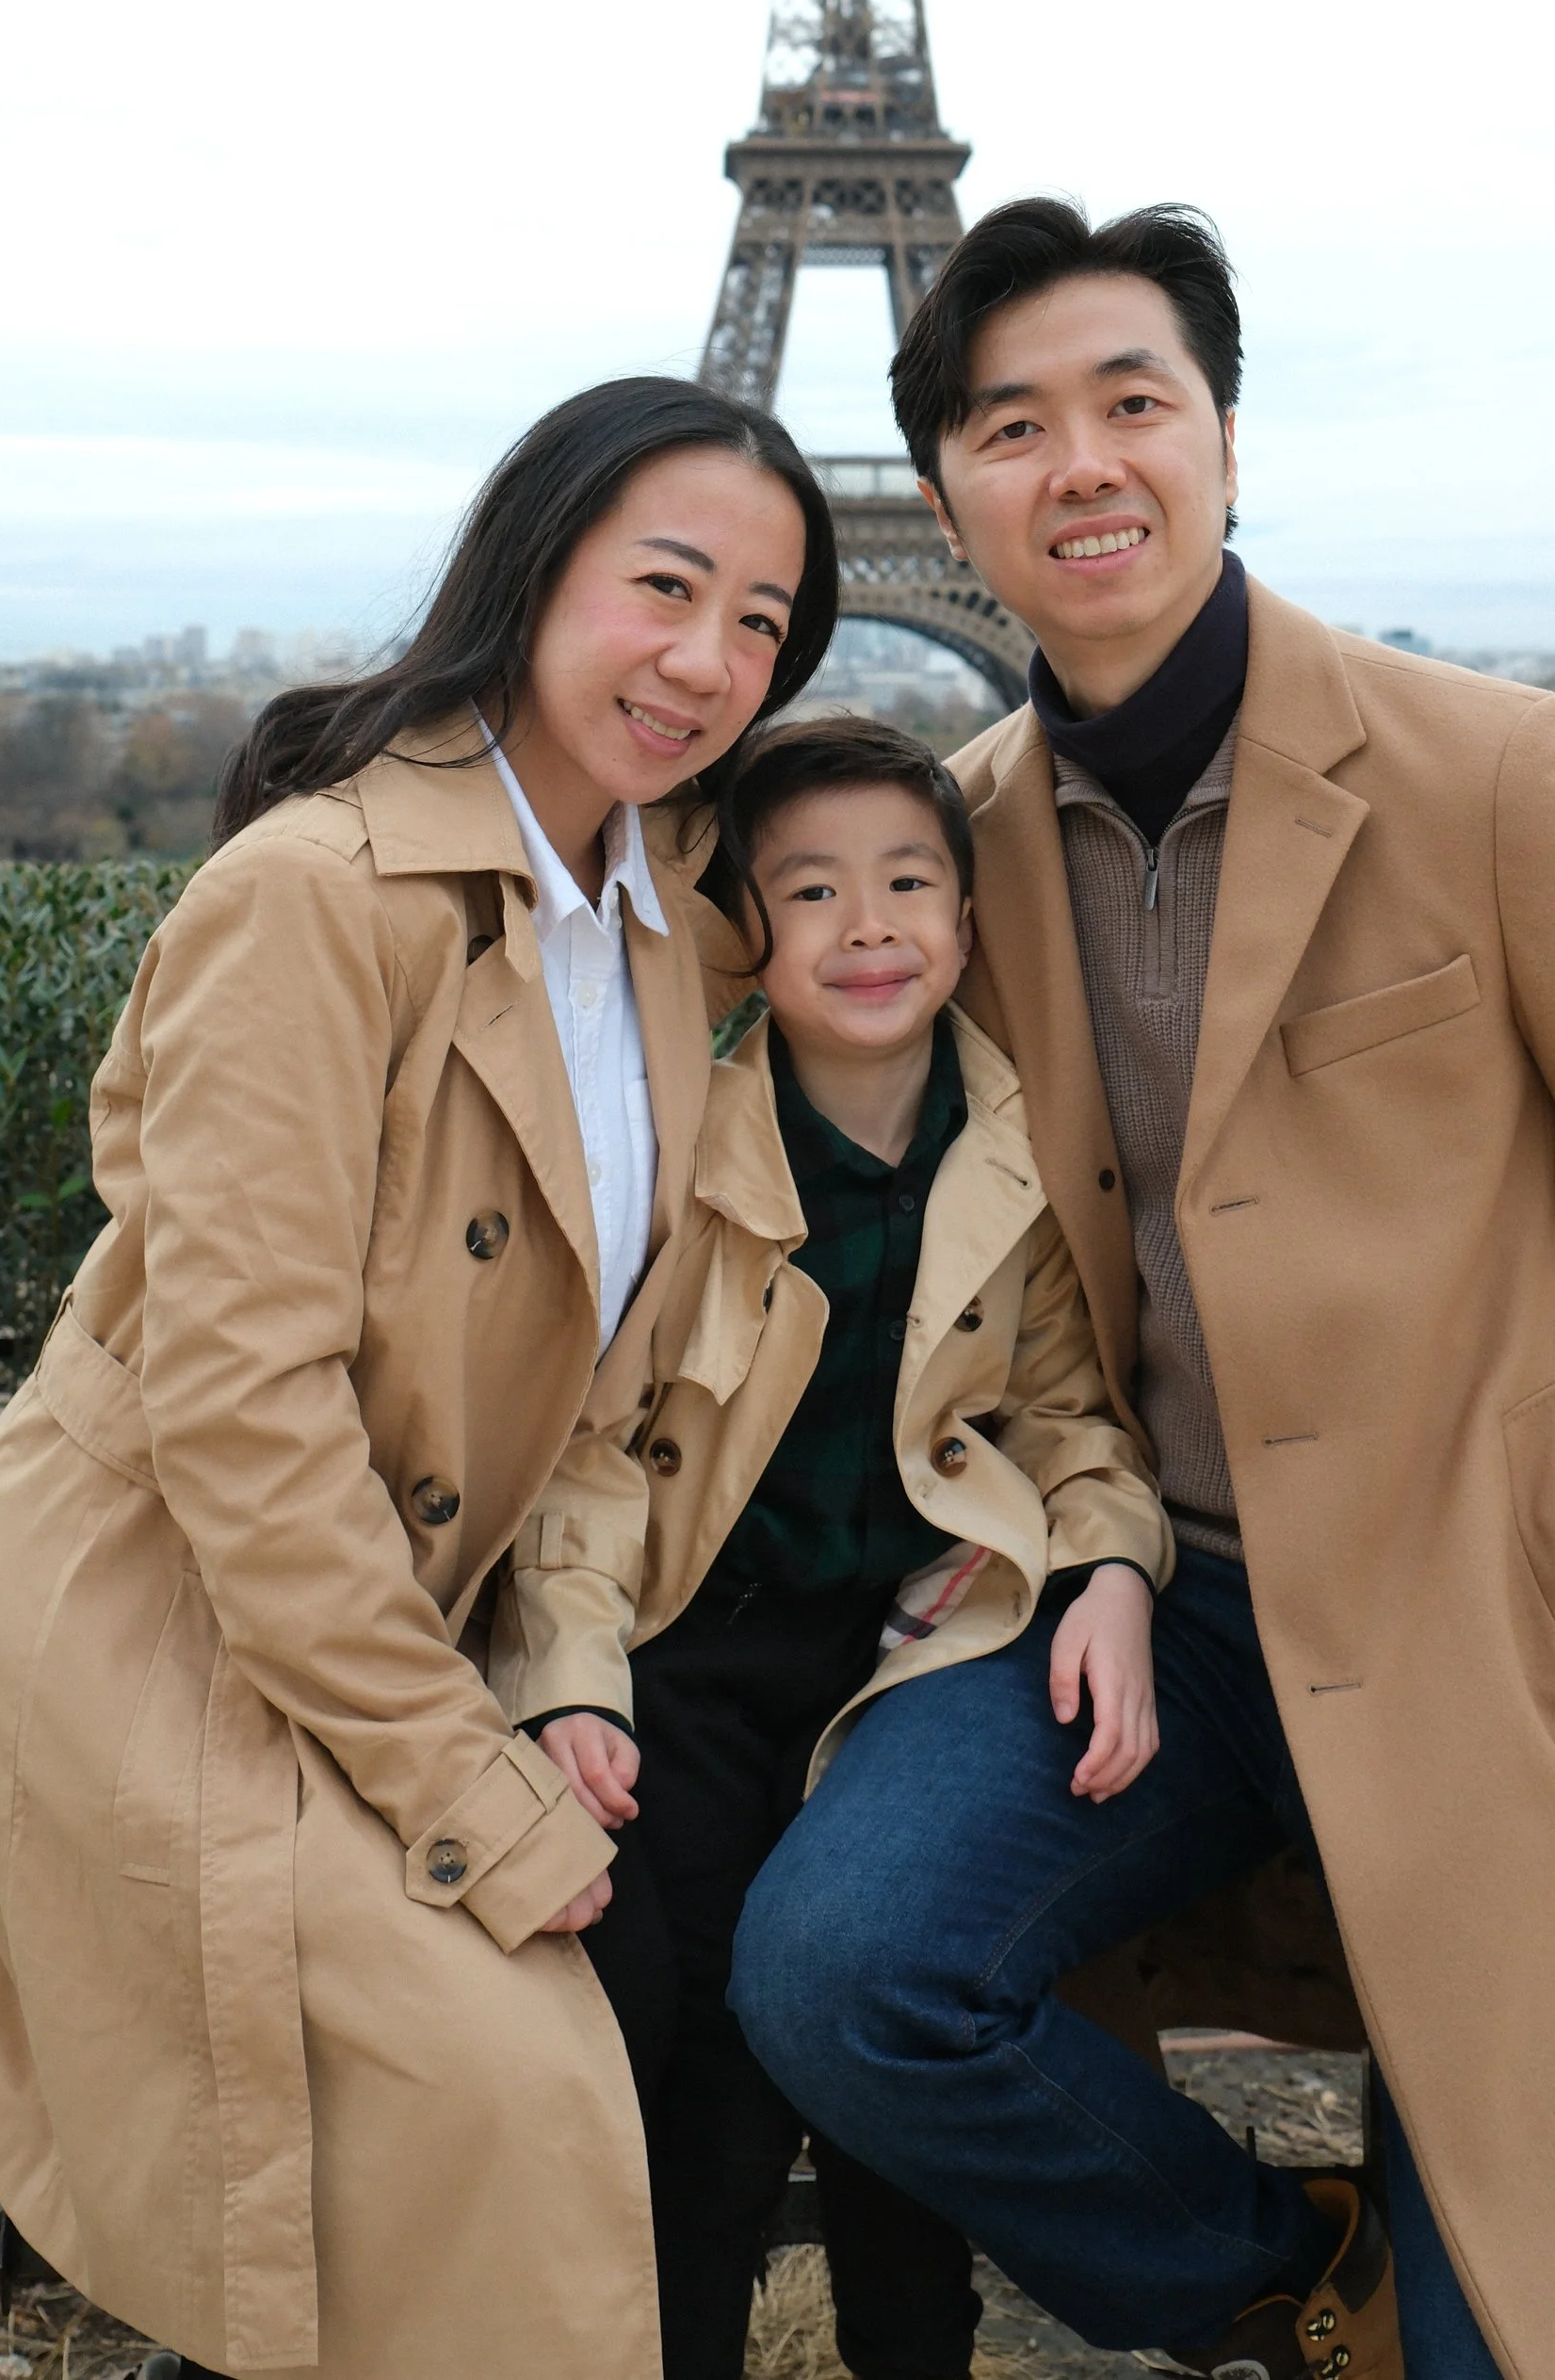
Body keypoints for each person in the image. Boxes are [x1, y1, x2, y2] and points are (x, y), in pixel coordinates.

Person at [731, 201, 1555, 2380]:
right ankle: (1287, 2286)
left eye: (1128, 402)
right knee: (840, 1972)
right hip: (1134, 1603)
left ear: (1225, 441)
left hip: (1475, 1609)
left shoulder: (1499, 773)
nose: (1076, 460)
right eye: (1009, 425)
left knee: (1537, 2335)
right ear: (948, 501)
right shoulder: (947, 843)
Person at [0, 376, 836, 2380]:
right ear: (531, 567)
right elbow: (244, 1416)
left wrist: (548, 1672)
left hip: (396, 1620)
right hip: (174, 1630)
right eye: (664, 585)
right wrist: (464, 1778)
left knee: (611, 2059)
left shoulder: (653, 922)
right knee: (505, 2097)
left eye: (760, 620)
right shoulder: (309, 899)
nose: (706, 659)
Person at [494, 713, 1172, 2380]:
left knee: (891, 2089)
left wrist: (1113, 1574)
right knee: (710, 2089)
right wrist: (573, 1680)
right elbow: (583, 1457)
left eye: (907, 882)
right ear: (748, 928)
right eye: (811, 892)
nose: (868, 925)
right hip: (697, 1661)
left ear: (966, 914)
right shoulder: (680, 1147)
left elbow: (1075, 1416)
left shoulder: (1017, 1144)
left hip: (909, 1659)